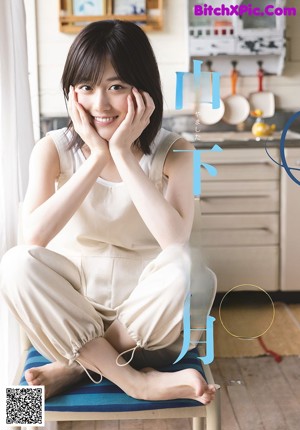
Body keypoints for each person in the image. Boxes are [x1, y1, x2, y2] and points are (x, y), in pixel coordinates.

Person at [0, 20, 216, 404]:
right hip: (70, 320)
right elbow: (32, 240)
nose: (99, 104)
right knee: (15, 263)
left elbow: (174, 241)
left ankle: (72, 370)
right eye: (86, 87)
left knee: (189, 266)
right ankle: (137, 383)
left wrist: (120, 152)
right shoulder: (52, 149)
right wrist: (96, 158)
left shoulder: (177, 150)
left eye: (116, 87)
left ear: (143, 89)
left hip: (149, 330)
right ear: (72, 94)